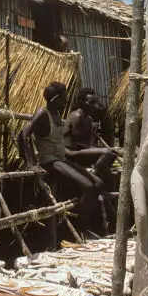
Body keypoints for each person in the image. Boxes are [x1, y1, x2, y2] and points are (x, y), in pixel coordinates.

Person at [18, 81, 107, 237]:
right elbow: (23, 135)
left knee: (98, 183)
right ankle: (79, 228)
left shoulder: (57, 114)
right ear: (56, 99)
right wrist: (30, 163)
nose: (66, 100)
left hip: (61, 160)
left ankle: (82, 224)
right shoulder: (43, 114)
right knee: (87, 186)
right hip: (50, 161)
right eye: (64, 97)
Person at [65, 88, 119, 178]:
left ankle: (97, 175)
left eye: (95, 103)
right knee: (107, 153)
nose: (94, 106)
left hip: (80, 151)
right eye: (91, 103)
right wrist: (101, 149)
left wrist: (100, 149)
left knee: (112, 155)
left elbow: (86, 143)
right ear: (81, 102)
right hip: (71, 153)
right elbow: (79, 145)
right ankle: (92, 176)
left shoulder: (88, 119)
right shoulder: (77, 116)